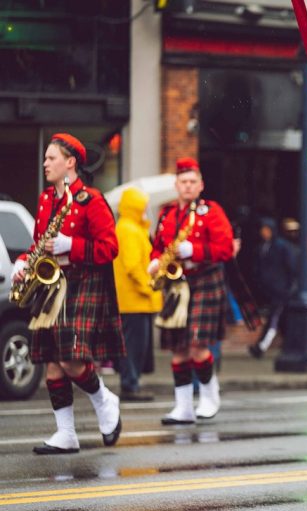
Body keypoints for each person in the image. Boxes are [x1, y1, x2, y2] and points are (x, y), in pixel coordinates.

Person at [12, 133, 124, 454]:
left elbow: (110, 248)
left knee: (71, 359)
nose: (46, 163)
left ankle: (104, 399)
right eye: (46, 158)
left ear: (70, 162)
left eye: (52, 158)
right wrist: (24, 262)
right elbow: (39, 243)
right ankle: (66, 433)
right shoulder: (47, 199)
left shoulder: (91, 200)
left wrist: (70, 246)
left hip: (81, 281)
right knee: (52, 361)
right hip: (51, 283)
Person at [150, 157, 234, 425]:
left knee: (198, 344)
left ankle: (210, 396)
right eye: (183, 182)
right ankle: (183, 407)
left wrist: (194, 251)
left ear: (201, 185)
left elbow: (226, 248)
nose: (187, 186)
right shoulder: (167, 213)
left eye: (192, 182)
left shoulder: (211, 211)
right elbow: (158, 245)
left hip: (205, 279)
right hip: (176, 284)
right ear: (176, 185)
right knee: (179, 348)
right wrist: (154, 260)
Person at [113, 187, 162, 401]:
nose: (146, 209)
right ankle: (130, 385)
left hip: (135, 300)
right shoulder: (128, 230)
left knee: (136, 346)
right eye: (142, 205)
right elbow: (132, 266)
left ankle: (132, 383)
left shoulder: (132, 228)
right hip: (132, 300)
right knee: (133, 347)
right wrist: (148, 286)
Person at [248, 217, 298, 358]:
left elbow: (291, 267)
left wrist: (288, 287)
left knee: (274, 318)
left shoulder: (282, 246)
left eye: (266, 229)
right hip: (269, 290)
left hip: (281, 290)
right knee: (281, 320)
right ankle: (290, 345)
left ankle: (261, 346)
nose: (263, 232)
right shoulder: (262, 247)